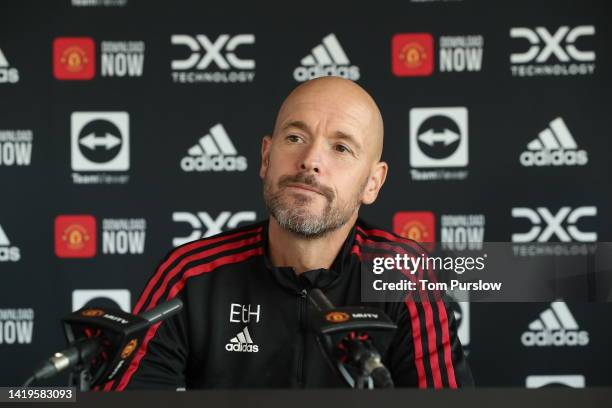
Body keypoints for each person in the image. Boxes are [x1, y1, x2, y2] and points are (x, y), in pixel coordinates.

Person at [101, 76, 473, 390]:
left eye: (341, 147)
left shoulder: (404, 274)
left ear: (372, 183)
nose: (310, 160)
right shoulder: (189, 274)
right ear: (266, 157)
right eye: (295, 138)